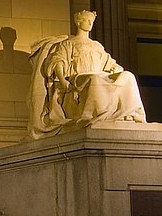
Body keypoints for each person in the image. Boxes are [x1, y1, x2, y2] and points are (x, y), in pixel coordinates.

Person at [28, 10, 146, 138]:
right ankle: (93, 115)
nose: (90, 23)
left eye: (92, 21)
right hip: (77, 79)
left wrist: (115, 69)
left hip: (99, 75)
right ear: (79, 22)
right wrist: (62, 80)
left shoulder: (96, 46)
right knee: (94, 79)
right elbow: (58, 62)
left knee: (128, 76)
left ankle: (128, 113)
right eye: (87, 20)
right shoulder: (68, 44)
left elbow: (110, 63)